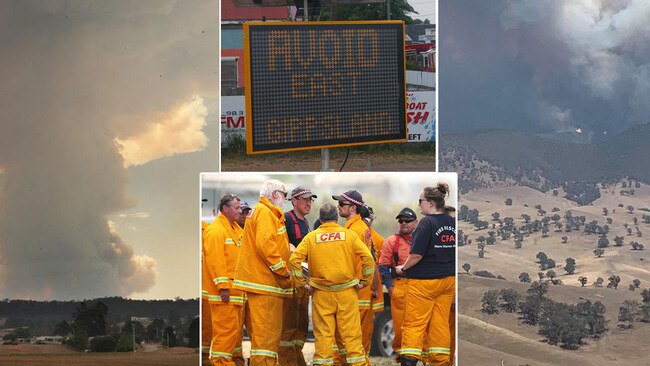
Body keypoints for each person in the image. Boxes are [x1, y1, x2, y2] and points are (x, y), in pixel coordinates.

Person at [289, 203, 375, 366]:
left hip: (321, 295)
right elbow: (368, 259)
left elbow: (294, 260)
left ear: (320, 219)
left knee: (323, 340)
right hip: (346, 294)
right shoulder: (349, 235)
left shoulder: (311, 237)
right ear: (336, 218)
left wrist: (301, 283)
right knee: (352, 339)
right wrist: (365, 281)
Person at [233, 179, 294, 366]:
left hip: (266, 286)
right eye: (284, 195)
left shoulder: (265, 212)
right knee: (266, 341)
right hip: (266, 285)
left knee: (266, 339)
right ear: (275, 194)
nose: (286, 200)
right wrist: (283, 270)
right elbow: (265, 245)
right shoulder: (266, 212)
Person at [396, 183, 456, 366]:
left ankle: (409, 361)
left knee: (414, 324)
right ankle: (441, 361)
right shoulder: (451, 222)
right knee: (440, 324)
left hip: (424, 283)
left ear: (430, 203)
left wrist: (402, 269)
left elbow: (416, 255)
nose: (418, 204)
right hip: (448, 281)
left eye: (420, 201)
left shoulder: (426, 223)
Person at [331, 190, 380, 362]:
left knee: (351, 343)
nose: (338, 207)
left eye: (342, 204)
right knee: (354, 344)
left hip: (355, 295)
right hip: (358, 294)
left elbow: (366, 261)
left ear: (353, 207)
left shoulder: (356, 230)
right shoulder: (357, 228)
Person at [203, 194, 245, 366]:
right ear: (225, 209)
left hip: (235, 292)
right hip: (224, 294)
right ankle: (220, 362)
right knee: (224, 333)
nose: (240, 211)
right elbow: (216, 261)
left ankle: (225, 361)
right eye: (236, 208)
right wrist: (223, 287)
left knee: (232, 333)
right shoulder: (215, 231)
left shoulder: (235, 228)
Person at [280, 186, 317, 366]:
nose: (308, 203)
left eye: (310, 200)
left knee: (301, 327)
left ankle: (297, 360)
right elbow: (281, 245)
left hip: (303, 282)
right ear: (294, 201)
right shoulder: (287, 219)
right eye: (305, 199)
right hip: (291, 283)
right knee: (289, 327)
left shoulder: (305, 222)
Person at [377, 207, 418, 362]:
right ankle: (404, 358)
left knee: (422, 327)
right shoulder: (391, 242)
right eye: (400, 221)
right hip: (399, 287)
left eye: (407, 220)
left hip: (420, 288)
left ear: (416, 222)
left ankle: (423, 357)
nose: (403, 223)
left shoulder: (422, 240)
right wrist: (391, 287)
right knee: (400, 328)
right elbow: (383, 266)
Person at [361, 206, 385, 315]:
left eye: (369, 219)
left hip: (370, 292)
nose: (367, 222)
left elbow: (381, 265)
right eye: (365, 219)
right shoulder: (351, 234)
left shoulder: (379, 240)